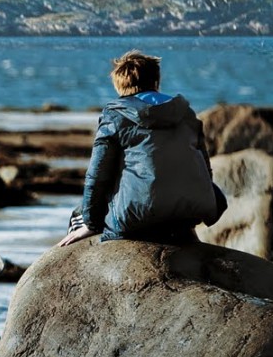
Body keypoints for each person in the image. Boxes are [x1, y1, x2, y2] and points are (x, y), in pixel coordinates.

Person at [58, 50, 224, 247]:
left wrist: (91, 224)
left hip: (138, 217)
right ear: (156, 81)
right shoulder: (186, 114)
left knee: (78, 216)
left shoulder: (116, 116)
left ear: (120, 85)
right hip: (190, 214)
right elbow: (205, 169)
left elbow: (97, 175)